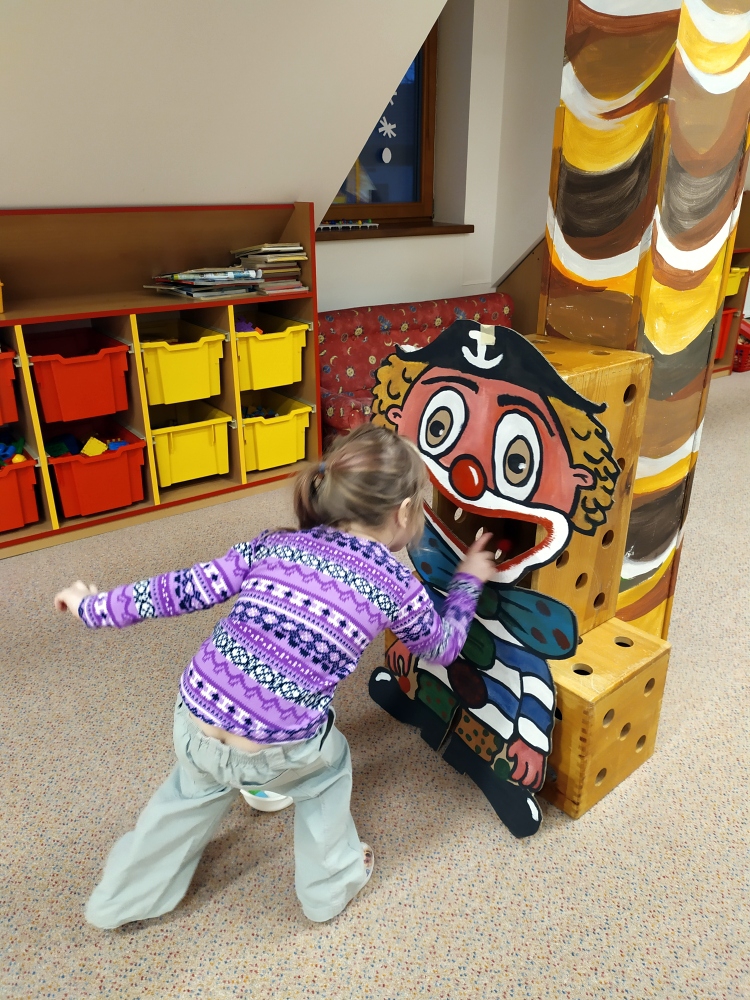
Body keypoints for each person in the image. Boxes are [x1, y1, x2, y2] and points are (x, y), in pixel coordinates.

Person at [55, 424, 495, 929]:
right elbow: (442, 647)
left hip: (195, 717)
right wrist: (468, 579)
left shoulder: (274, 544)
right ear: (404, 512)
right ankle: (329, 888)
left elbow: (178, 589)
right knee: (329, 771)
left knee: (186, 797)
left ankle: (117, 901)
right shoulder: (396, 584)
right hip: (278, 749)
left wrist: (92, 606)